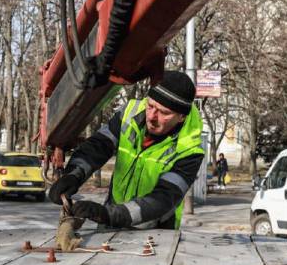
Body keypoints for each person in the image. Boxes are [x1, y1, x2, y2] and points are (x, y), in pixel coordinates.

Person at [48, 70, 203, 230]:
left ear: (182, 117)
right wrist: (73, 175)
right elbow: (98, 146)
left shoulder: (190, 150)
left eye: (163, 112)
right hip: (111, 221)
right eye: (150, 105)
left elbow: (162, 199)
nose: (152, 117)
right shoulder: (129, 113)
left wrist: (107, 214)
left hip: (155, 232)